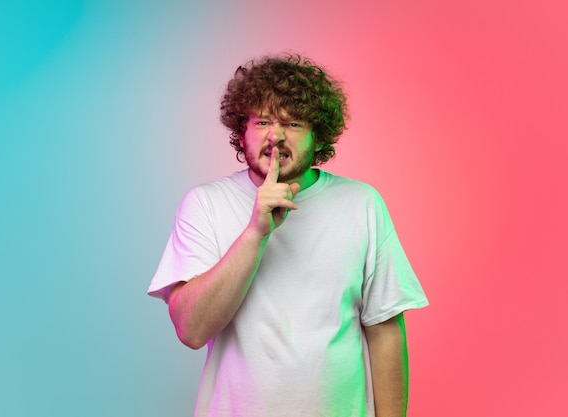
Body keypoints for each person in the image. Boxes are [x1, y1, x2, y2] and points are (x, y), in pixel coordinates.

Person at [148, 54, 428, 417]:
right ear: (242, 130)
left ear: (318, 135)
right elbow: (191, 330)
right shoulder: (205, 204)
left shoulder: (362, 204)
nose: (275, 135)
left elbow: (385, 328)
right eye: (262, 120)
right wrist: (255, 233)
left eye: (293, 122)